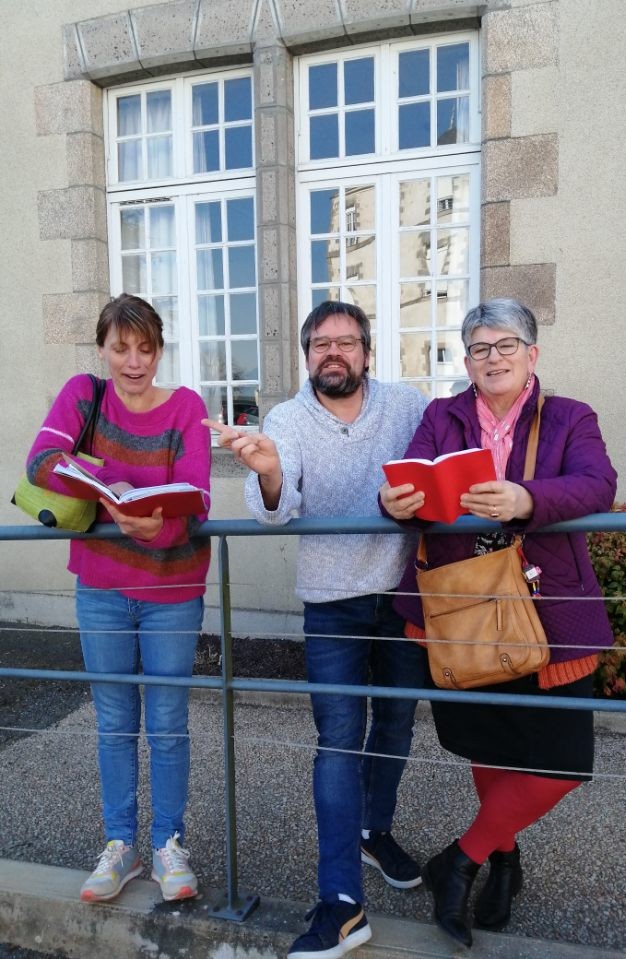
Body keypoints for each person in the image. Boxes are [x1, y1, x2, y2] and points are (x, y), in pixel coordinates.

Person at [380, 297, 617, 947]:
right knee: (490, 746)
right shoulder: (441, 414)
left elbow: (597, 484)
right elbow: (413, 479)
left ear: (531, 353)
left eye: (505, 345)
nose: (492, 358)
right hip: (463, 612)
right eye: (479, 348)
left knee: (563, 762)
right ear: (465, 360)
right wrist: (393, 499)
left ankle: (461, 857)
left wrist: (526, 498)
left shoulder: (570, 416)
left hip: (547, 613)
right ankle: (503, 860)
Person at [204, 300, 428, 959]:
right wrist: (269, 471)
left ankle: (373, 826)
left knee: (394, 724)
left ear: (367, 352)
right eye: (321, 343)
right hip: (331, 603)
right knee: (337, 740)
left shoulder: (407, 405)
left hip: (403, 593)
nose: (334, 352)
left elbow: (441, 463)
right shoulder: (287, 418)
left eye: (346, 341)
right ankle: (341, 902)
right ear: (306, 357)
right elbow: (280, 507)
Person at [25, 294, 211, 904]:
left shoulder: (186, 407)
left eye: (146, 348)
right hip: (101, 587)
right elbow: (41, 463)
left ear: (160, 349)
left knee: (166, 721)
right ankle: (119, 845)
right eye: (120, 348)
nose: (133, 362)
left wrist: (161, 525)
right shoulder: (86, 393)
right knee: (112, 721)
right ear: (102, 348)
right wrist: (116, 488)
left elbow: (201, 498)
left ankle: (168, 844)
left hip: (171, 588)